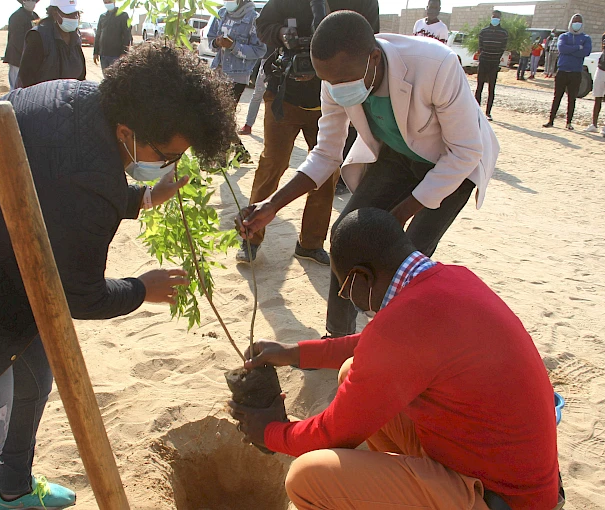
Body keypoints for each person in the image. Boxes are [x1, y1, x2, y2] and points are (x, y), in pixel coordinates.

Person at [0, 41, 237, 510]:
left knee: (34, 373)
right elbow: (77, 294)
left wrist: (140, 199)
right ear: (126, 131)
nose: (168, 164)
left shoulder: (80, 100)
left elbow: (55, 187)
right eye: (166, 153)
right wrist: (142, 288)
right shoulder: (91, 173)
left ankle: (11, 489)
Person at [229, 207, 563, 510]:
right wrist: (293, 353)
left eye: (345, 290)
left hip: (505, 500)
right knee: (351, 372)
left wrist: (270, 432)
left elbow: (331, 434)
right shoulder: (449, 280)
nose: (350, 299)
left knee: (306, 478)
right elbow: (374, 347)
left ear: (361, 277)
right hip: (510, 478)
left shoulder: (405, 325)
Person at [239, 11, 499, 338]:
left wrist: (398, 216)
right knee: (346, 237)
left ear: (374, 57)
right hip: (397, 157)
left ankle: (391, 342)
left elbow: (464, 151)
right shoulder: (336, 79)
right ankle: (338, 340)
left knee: (405, 256)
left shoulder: (435, 65)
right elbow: (326, 153)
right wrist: (272, 205)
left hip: (452, 166)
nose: (337, 90)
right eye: (329, 82)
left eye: (344, 82)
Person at [236, 0, 380, 264]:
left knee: (328, 172)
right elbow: (262, 25)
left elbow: (373, 41)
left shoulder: (362, 2)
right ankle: (250, 237)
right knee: (273, 164)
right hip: (284, 95)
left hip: (334, 99)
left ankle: (311, 244)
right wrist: (282, 34)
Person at [207, 0, 267, 164]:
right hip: (218, 70)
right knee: (219, 114)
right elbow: (210, 40)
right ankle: (240, 152)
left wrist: (234, 46)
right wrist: (217, 42)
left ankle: (222, 157)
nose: (227, 2)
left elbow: (259, 50)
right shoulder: (220, 14)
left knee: (225, 114)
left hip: (237, 75)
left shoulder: (253, 19)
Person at [17, 0, 86, 88]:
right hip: (42, 97)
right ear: (55, 13)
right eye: (69, 14)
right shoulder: (38, 36)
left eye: (76, 14)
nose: (74, 17)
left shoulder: (75, 35)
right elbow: (26, 77)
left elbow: (81, 74)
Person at [543, 14, 591, 130]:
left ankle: (569, 122)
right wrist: (577, 47)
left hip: (576, 72)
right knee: (557, 96)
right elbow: (562, 49)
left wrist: (571, 49)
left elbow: (586, 52)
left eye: (579, 21)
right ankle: (551, 120)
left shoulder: (586, 38)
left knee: (572, 98)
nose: (576, 23)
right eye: (574, 21)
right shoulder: (564, 36)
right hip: (562, 71)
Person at [474, 10, 508, 121]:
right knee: (479, 87)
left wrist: (496, 58)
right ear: (491, 17)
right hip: (483, 61)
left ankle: (488, 113)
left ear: (500, 19)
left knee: (491, 88)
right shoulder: (484, 32)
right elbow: (481, 47)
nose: (495, 19)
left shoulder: (503, 33)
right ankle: (476, 110)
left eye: (497, 17)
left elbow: (502, 48)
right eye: (494, 17)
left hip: (494, 63)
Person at [4, 0, 40, 90]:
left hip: (31, 59)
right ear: (23, 1)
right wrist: (28, 54)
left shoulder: (35, 16)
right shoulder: (16, 17)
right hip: (17, 58)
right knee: (16, 88)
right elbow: (17, 40)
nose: (31, 2)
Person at [238, 48, 275, 136]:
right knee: (258, 94)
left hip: (282, 60)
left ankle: (274, 130)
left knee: (277, 98)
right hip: (267, 60)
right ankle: (248, 125)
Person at [93, 0, 132, 75]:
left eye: (109, 1)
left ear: (114, 1)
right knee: (106, 79)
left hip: (116, 55)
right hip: (103, 55)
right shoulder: (102, 17)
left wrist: (124, 52)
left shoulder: (123, 15)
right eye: (105, 2)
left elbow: (127, 35)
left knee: (116, 79)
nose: (107, 3)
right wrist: (95, 52)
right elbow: (98, 35)